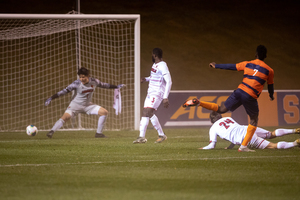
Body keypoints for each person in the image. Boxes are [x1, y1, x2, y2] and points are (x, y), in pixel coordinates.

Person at [198, 45, 274, 152]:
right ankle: (243, 147)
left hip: (239, 91)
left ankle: (199, 103)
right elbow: (270, 85)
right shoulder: (269, 70)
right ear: (265, 56)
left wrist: (216, 66)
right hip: (250, 95)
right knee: (253, 120)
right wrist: (271, 95)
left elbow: (232, 67)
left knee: (221, 109)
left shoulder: (248, 64)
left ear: (255, 54)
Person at [44, 67, 125, 138]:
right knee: (65, 118)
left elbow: (104, 85)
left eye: (83, 77)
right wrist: (51, 98)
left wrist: (116, 86)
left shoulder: (94, 81)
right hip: (75, 105)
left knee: (104, 112)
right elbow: (64, 91)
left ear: (88, 76)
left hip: (87, 105)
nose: (82, 79)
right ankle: (51, 131)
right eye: (80, 77)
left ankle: (99, 133)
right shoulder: (76, 83)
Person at [199, 111, 300, 150]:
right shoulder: (228, 118)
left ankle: (295, 143)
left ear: (211, 120)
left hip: (245, 138)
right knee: (271, 134)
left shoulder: (213, 128)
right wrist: (230, 147)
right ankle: (294, 130)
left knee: (272, 146)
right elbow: (233, 131)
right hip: (247, 128)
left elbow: (212, 146)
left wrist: (202, 149)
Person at [133, 48, 172, 144]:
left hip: (157, 93)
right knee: (145, 113)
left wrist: (165, 97)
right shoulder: (155, 65)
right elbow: (155, 77)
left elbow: (169, 81)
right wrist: (146, 79)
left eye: (152, 55)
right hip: (150, 92)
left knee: (149, 111)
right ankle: (141, 137)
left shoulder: (163, 66)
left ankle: (161, 135)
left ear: (155, 55)